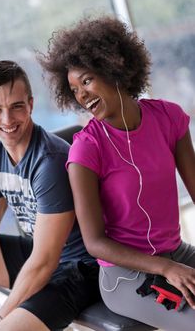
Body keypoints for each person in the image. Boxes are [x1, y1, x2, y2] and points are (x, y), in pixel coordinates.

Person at [38, 16, 195, 330]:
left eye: (86, 80)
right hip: (125, 278)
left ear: (114, 67)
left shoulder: (168, 117)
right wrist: (165, 267)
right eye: (73, 89)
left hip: (175, 254)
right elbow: (95, 242)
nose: (81, 95)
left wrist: (170, 263)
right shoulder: (86, 149)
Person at [0, 60, 100, 331]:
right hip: (37, 254)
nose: (7, 120)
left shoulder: (50, 161)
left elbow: (45, 260)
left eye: (16, 106)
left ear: (31, 105)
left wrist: (0, 318)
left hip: (77, 270)